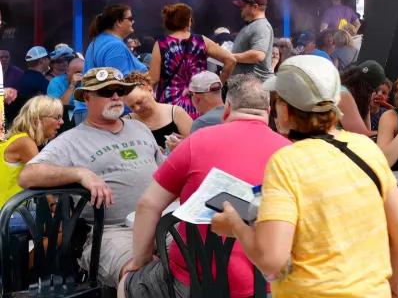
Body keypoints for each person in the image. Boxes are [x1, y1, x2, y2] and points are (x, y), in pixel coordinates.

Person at [211, 55, 398, 298]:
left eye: (276, 101)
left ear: (284, 112)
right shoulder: (366, 148)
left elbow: (271, 259)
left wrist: (236, 225)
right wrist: (397, 282)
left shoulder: (286, 162)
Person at [122, 76, 284, 298]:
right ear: (268, 110)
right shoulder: (290, 152)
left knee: (129, 282)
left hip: (192, 283)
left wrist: (140, 260)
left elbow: (148, 204)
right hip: (271, 287)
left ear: (226, 108)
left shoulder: (195, 142)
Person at [20, 68, 161, 288]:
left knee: (202, 258)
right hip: (113, 231)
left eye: (119, 90)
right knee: (142, 278)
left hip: (161, 220)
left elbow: (165, 172)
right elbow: (28, 175)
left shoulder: (139, 127)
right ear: (87, 97)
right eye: (106, 91)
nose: (115, 96)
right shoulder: (71, 140)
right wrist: (80, 173)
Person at [150, 3, 234, 118]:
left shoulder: (161, 44)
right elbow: (231, 60)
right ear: (189, 21)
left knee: (171, 136)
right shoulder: (201, 41)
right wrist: (217, 84)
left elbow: (153, 78)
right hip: (199, 102)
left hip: (169, 108)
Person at [0, 96, 64, 231]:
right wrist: (54, 205)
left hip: (10, 212)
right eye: (57, 117)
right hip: (7, 214)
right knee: (66, 226)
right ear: (38, 119)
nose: (61, 122)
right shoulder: (25, 142)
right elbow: (41, 179)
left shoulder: (15, 139)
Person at [123, 72, 193, 151]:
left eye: (139, 102)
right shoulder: (127, 122)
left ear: (150, 90)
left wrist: (181, 146)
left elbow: (197, 144)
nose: (137, 108)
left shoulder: (175, 113)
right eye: (131, 106)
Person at [230, 0, 274, 82]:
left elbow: (258, 55)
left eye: (244, 5)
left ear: (255, 7)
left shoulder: (261, 26)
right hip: (247, 87)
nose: (241, 8)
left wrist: (229, 57)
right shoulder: (252, 25)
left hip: (254, 89)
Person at [338, 60, 388, 136]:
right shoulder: (344, 95)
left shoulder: (343, 89)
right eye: (370, 91)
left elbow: (367, 130)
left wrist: (366, 104)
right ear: (366, 88)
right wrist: (390, 134)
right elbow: (361, 135)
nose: (370, 94)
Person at [6, 46, 51, 125]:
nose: (50, 60)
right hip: (31, 125)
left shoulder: (19, 80)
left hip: (14, 124)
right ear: (42, 60)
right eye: (48, 58)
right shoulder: (41, 82)